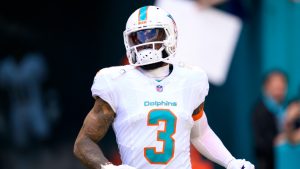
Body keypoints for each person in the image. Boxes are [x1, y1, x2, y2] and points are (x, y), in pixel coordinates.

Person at [74, 6, 254, 169]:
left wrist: (230, 162)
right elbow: (84, 141)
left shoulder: (190, 79)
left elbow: (200, 133)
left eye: (152, 34)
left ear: (170, 35)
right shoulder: (116, 81)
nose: (144, 42)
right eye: (138, 36)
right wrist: (108, 168)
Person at [252, 70, 288, 169]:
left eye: (281, 87)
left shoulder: (288, 108)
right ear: (266, 88)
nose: (279, 90)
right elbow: (261, 144)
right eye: (275, 87)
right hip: (269, 163)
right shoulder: (260, 111)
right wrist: (280, 140)